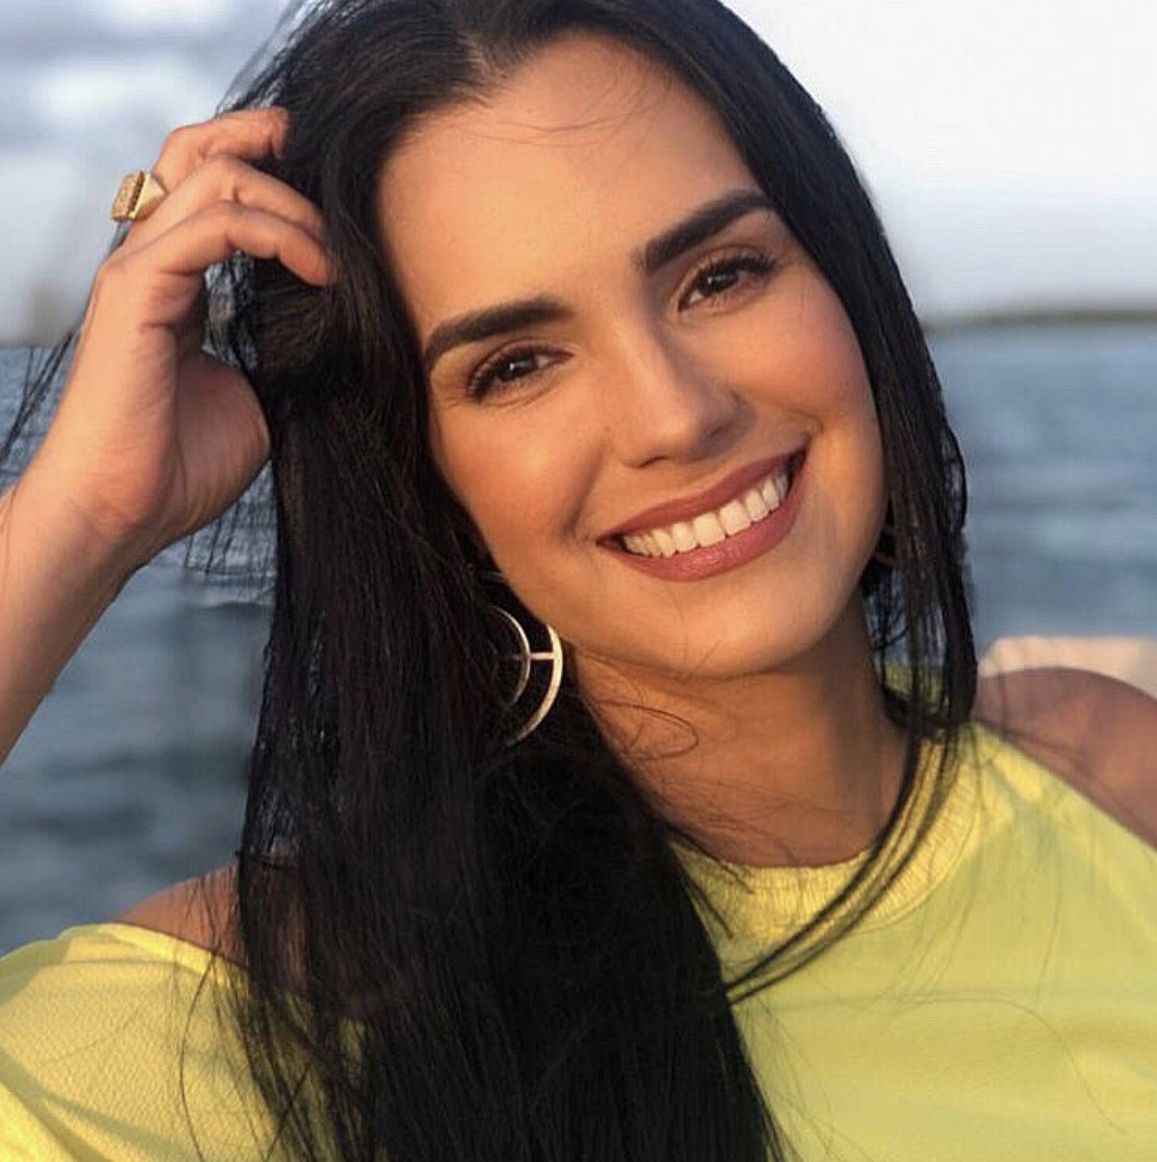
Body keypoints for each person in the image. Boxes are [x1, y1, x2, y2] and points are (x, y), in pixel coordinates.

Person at [0, 0, 1154, 1158]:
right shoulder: (292, 1014)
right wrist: (78, 517)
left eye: (719, 276)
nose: (673, 415)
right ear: (425, 476)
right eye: (515, 365)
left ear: (841, 274)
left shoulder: (1104, 772)